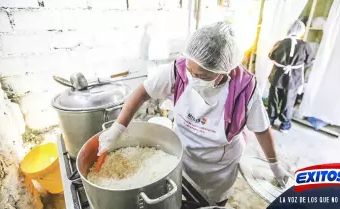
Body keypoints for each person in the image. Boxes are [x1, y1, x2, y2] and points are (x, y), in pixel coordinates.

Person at [98, 22, 288, 206]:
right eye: (191, 71)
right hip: (181, 157)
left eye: (203, 76)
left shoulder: (244, 89)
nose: (193, 78)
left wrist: (274, 165)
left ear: (225, 69)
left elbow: (261, 130)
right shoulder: (178, 69)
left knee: (212, 203)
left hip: (217, 171)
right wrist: (118, 128)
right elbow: (142, 92)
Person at [267, 20, 313, 133]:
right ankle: (284, 125)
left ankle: (269, 121)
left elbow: (271, 56)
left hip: (277, 76)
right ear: (302, 31)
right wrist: (295, 65)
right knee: (288, 102)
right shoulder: (305, 46)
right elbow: (309, 60)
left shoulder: (280, 43)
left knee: (274, 99)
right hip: (294, 78)